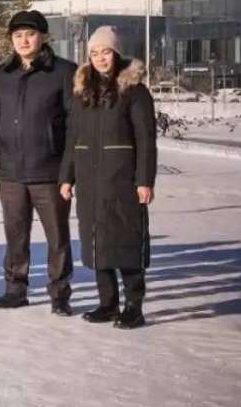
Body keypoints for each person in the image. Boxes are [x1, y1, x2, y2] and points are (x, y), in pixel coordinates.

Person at [0, 10, 76, 316]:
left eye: (30, 34)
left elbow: (75, 125)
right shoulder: (1, 74)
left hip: (50, 170)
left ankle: (60, 294)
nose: (24, 40)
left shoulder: (64, 71)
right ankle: (15, 289)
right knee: (15, 234)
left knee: (57, 236)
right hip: (11, 171)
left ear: (43, 37)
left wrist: (69, 171)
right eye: (17, 35)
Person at [60, 27, 157, 329]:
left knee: (125, 241)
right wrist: (67, 177)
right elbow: (72, 138)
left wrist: (145, 180)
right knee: (96, 242)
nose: (100, 58)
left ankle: (134, 306)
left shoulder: (134, 90)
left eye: (106, 51)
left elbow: (146, 139)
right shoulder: (82, 92)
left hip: (122, 180)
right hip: (89, 181)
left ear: (116, 52)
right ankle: (108, 303)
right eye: (94, 53)